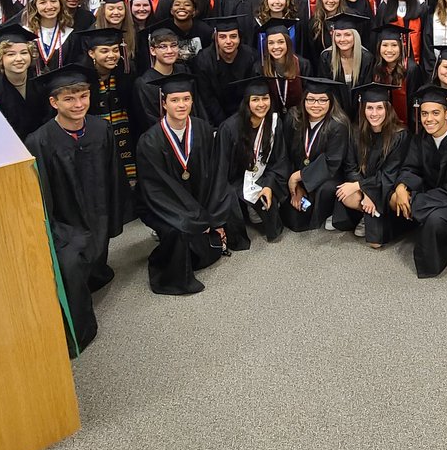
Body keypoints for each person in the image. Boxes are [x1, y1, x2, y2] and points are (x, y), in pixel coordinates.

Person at [25, 65, 131, 351]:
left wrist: (116, 211)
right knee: (71, 264)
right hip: (65, 223)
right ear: (54, 102)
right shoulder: (39, 141)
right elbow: (42, 195)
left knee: (97, 252)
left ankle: (94, 272)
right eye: (69, 99)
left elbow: (113, 173)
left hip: (98, 212)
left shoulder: (101, 128)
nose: (78, 104)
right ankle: (78, 335)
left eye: (83, 96)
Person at [135, 73, 231, 295]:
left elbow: (215, 172)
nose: (181, 105)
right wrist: (196, 218)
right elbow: (156, 189)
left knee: (222, 227)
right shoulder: (150, 140)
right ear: (164, 103)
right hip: (165, 205)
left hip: (198, 200)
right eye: (175, 100)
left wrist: (211, 215)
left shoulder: (203, 129)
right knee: (177, 232)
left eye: (186, 99)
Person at [390, 85, 447, 278]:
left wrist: (416, 201)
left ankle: (441, 249)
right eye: (424, 114)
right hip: (430, 195)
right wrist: (402, 187)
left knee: (435, 221)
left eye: (435, 113)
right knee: (395, 198)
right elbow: (410, 167)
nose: (429, 119)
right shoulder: (422, 136)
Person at [212, 77, 288, 243]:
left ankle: (252, 206)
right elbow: (221, 167)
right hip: (235, 179)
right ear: (247, 102)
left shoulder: (274, 123)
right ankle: (243, 208)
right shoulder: (229, 128)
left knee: (270, 211)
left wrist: (269, 185)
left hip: (261, 175)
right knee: (231, 205)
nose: (261, 104)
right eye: (255, 100)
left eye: (265, 98)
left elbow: (279, 160)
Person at [334, 83, 411, 245]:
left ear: (387, 109)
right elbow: (350, 167)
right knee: (346, 195)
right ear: (363, 109)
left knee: (375, 244)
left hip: (387, 188)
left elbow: (390, 173)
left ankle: (386, 219)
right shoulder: (355, 132)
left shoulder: (400, 135)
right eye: (370, 108)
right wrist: (364, 191)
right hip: (366, 187)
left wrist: (366, 189)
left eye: (379, 108)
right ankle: (367, 214)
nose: (374, 113)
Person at [282, 78, 350, 232]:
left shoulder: (338, 125)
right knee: (294, 221)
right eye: (311, 99)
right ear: (303, 100)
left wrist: (298, 177)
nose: (316, 105)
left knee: (325, 190)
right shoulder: (293, 118)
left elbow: (331, 162)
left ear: (331, 102)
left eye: (322, 100)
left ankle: (329, 211)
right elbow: (284, 152)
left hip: (327, 176)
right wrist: (295, 186)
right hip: (297, 173)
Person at [83, 28, 137, 188]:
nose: (111, 55)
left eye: (115, 50)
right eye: (104, 51)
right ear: (92, 54)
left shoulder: (126, 73)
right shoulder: (83, 79)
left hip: (126, 141)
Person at [0, 24, 42, 140]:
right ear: (0, 58)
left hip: (40, 141)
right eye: (11, 54)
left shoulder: (40, 79)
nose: (19, 59)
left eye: (24, 53)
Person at [192, 15, 260, 125]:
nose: (228, 41)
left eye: (233, 36)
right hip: (215, 117)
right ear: (216, 39)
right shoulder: (204, 60)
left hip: (245, 114)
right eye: (223, 37)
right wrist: (224, 124)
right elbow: (207, 97)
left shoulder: (251, 56)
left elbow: (252, 91)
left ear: (239, 38)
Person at [370, 22, 425, 129]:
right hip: (381, 125)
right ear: (379, 47)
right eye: (385, 45)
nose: (389, 50)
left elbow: (416, 103)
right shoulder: (376, 69)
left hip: (407, 127)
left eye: (394, 45)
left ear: (401, 47)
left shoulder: (411, 69)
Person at [21, 0, 77, 73]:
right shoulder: (26, 34)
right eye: (43, 2)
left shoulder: (70, 35)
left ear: (60, 4)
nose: (50, 7)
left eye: (53, 1)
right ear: (34, 7)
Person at [320, 14, 374, 109]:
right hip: (334, 111)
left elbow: (366, 90)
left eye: (347, 35)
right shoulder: (326, 57)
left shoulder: (366, 58)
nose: (342, 39)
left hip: (360, 110)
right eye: (338, 35)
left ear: (355, 36)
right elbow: (326, 90)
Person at [259, 18, 310, 114]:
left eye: (281, 42)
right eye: (271, 43)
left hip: (298, 116)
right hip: (271, 117)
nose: (276, 47)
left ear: (288, 43)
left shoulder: (303, 64)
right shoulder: (259, 67)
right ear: (266, 46)